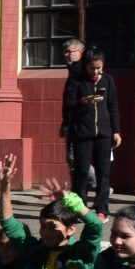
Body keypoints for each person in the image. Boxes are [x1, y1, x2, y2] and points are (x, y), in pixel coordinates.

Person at [64, 49, 121, 216]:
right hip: (82, 133)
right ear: (85, 66)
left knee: (103, 172)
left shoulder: (107, 80)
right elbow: (68, 104)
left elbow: (113, 106)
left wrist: (116, 131)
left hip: (104, 133)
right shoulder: (76, 80)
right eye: (92, 68)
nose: (96, 72)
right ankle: (78, 208)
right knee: (81, 171)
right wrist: (84, 101)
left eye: (99, 68)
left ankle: (102, 208)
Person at [58, 39, 85, 186]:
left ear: (80, 53)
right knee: (72, 158)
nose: (66, 55)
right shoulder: (72, 70)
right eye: (65, 52)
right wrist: (64, 123)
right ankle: (81, 186)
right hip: (70, 120)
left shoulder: (81, 72)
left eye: (70, 52)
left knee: (74, 157)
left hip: (79, 121)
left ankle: (95, 182)